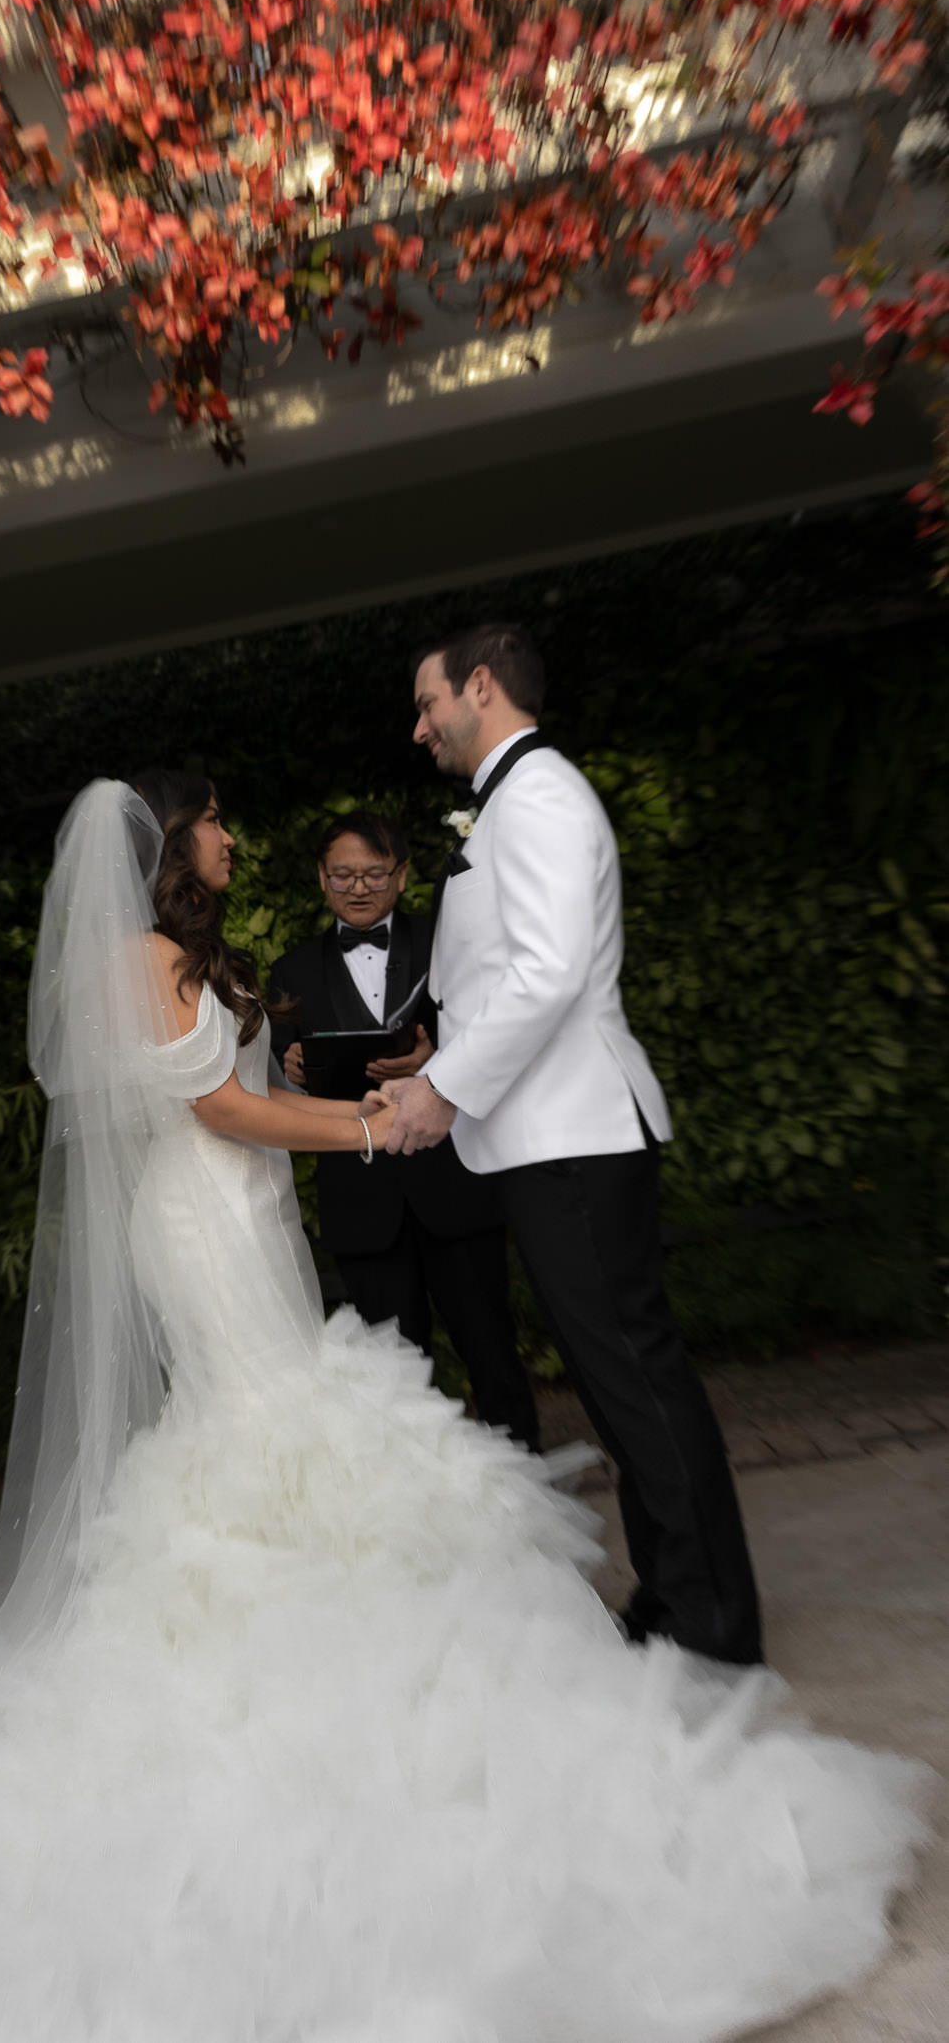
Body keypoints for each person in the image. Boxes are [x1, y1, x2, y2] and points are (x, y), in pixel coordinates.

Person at [0, 771, 928, 2043]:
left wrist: (312, 1079)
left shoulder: (171, 953)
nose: (233, 841)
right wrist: (368, 1115)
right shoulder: (151, 953)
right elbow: (215, 1111)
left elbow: (223, 1084)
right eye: (216, 823)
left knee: (276, 1430)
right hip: (206, 1214)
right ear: (170, 837)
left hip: (223, 1209)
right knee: (274, 1425)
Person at [378, 623, 763, 1667]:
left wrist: (447, 1090)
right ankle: (678, 1593)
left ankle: (714, 1626)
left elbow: (548, 974)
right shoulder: (516, 798)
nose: (420, 728)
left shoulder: (539, 794)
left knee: (634, 1376)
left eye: (429, 703)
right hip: (554, 1136)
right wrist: (436, 1054)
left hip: (575, 1136)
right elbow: (504, 973)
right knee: (617, 1381)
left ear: (484, 688)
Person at [268, 808, 539, 1447]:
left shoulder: (448, 940)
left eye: (372, 873)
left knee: (492, 1349)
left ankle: (526, 1485)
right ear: (320, 877)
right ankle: (421, 1512)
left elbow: (496, 1025)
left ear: (402, 873)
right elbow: (276, 1080)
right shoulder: (291, 969)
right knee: (391, 1374)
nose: (358, 888)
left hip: (454, 1183)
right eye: (342, 875)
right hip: (361, 1197)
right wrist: (290, 1064)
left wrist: (437, 1062)